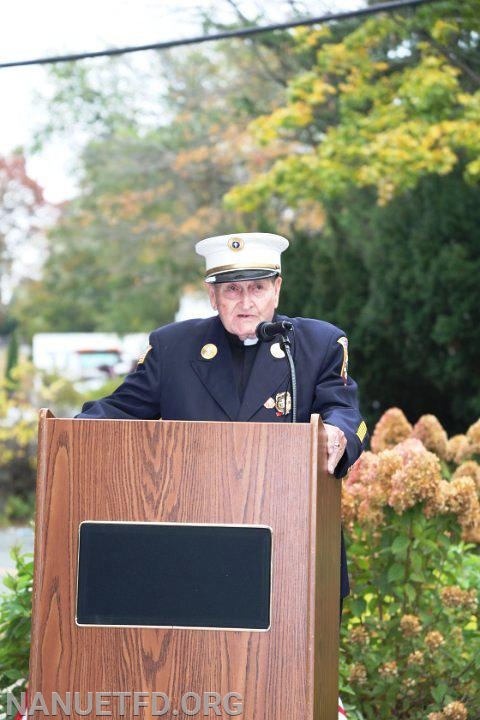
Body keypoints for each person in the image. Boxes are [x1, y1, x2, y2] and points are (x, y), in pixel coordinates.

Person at [77, 232, 368, 600]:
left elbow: (345, 411)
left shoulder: (318, 344)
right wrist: (73, 432)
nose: (246, 302)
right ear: (211, 294)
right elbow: (118, 409)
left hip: (293, 544)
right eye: (232, 290)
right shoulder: (173, 348)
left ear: (276, 290)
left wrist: (337, 435)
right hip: (196, 549)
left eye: (258, 288)